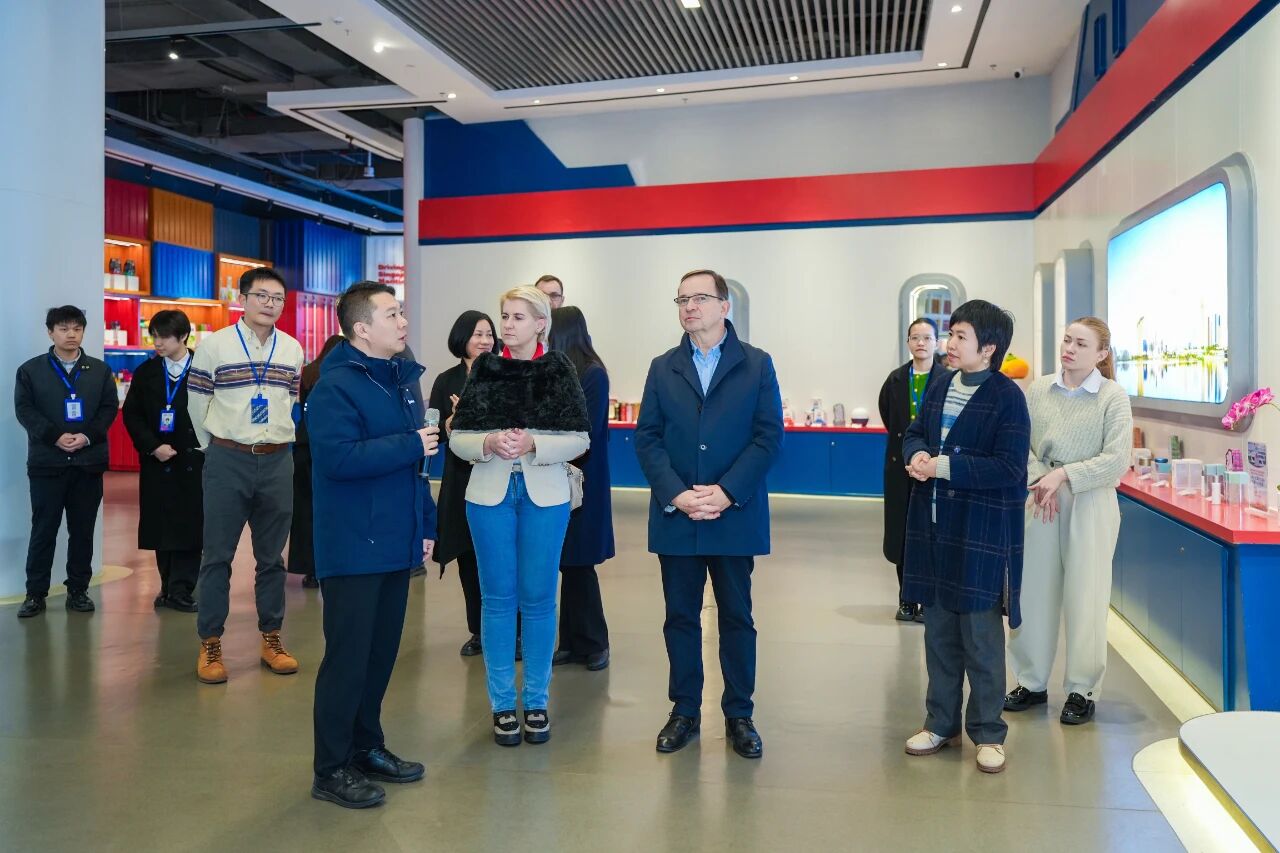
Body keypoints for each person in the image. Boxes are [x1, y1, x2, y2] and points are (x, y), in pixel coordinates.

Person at [634, 269, 783, 760]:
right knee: (680, 618)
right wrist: (677, 494)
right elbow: (648, 439)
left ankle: (740, 714)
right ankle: (684, 711)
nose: (689, 307)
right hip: (677, 516)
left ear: (724, 306)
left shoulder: (756, 365)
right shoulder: (663, 367)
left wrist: (727, 492)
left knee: (737, 617)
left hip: (733, 516)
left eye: (700, 298)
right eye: (682, 299)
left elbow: (768, 438)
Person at [306, 281, 440, 809]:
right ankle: (331, 768)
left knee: (381, 655)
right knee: (348, 659)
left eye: (402, 311)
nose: (403, 321)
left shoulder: (400, 382)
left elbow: (417, 468)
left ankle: (365, 746)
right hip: (353, 545)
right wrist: (409, 443)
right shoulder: (334, 388)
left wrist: (425, 525)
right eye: (392, 314)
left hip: (395, 539)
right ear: (361, 329)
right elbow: (338, 459)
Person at [449, 286, 589, 747]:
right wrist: (487, 443)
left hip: (545, 495)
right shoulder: (485, 369)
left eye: (518, 317)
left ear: (540, 324)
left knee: (540, 600)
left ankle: (536, 701)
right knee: (497, 601)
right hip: (488, 495)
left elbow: (581, 438)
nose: (507, 325)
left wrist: (535, 443)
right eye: (504, 316)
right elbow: (459, 439)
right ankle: (502, 705)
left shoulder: (559, 369)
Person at [901, 299, 1030, 775]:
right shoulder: (941, 384)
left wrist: (942, 467)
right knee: (938, 636)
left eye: (960, 336)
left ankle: (989, 732)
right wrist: (916, 455)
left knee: (981, 640)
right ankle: (940, 723)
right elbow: (915, 432)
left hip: (980, 534)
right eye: (950, 333)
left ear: (989, 348)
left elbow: (1009, 468)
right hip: (935, 531)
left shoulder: (1007, 397)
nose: (949, 343)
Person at [1005, 317, 1132, 726]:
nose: (1070, 349)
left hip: (1089, 498)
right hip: (1040, 495)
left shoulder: (1112, 397)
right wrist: (1041, 478)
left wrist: (1064, 475)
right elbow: (1019, 443)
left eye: (1081, 343)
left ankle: (1082, 689)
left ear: (1101, 353)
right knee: (1033, 592)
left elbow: (1116, 459)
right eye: (1066, 340)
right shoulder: (1039, 389)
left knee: (1086, 595)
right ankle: (1031, 681)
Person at [188, 267, 305, 684]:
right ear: (243, 299)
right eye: (262, 296)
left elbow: (290, 401)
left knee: (271, 558)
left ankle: (271, 637)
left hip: (277, 460)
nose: (270, 304)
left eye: (277, 298)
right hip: (228, 459)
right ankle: (210, 642)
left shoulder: (292, 348)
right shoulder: (214, 346)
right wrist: (215, 448)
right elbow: (197, 403)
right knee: (217, 556)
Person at [14, 305, 118, 618]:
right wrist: (55, 436)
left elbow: (108, 408)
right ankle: (35, 594)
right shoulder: (31, 370)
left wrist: (86, 436)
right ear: (50, 332)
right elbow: (24, 410)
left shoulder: (99, 370)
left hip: (88, 463)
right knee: (43, 530)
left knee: (83, 531)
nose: (71, 334)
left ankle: (78, 590)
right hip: (47, 463)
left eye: (77, 328)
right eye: (63, 328)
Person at [121, 309, 204, 613]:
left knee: (190, 526)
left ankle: (182, 589)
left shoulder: (203, 369)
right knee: (161, 526)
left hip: (194, 459)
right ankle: (167, 586)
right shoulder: (146, 372)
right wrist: (153, 446)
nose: (157, 342)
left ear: (183, 336)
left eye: (165, 337)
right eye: (154, 336)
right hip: (157, 460)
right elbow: (132, 414)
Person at [548, 306, 615, 671]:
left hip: (583, 481)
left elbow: (582, 430)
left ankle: (594, 642)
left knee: (579, 563)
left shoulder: (592, 374)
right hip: (559, 478)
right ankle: (572, 642)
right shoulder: (562, 371)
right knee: (568, 564)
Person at [428, 311, 499, 656]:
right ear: (462, 338)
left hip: (498, 475)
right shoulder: (446, 380)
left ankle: (511, 632)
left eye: (489, 334)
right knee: (469, 558)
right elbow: (437, 434)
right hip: (461, 480)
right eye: (477, 334)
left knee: (500, 558)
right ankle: (478, 631)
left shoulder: (506, 374)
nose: (485, 341)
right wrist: (451, 422)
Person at [878, 318, 950, 623]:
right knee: (903, 533)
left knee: (932, 533)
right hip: (900, 468)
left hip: (935, 467)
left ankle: (929, 601)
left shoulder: (948, 379)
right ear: (908, 342)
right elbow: (887, 414)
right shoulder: (895, 379)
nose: (921, 343)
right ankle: (906, 599)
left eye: (927, 338)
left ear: (937, 342)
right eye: (915, 338)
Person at [289, 334, 344, 589]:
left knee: (305, 511)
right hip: (328, 448)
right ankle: (330, 565)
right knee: (331, 511)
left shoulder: (309, 372)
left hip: (303, 447)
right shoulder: (340, 375)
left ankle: (309, 569)